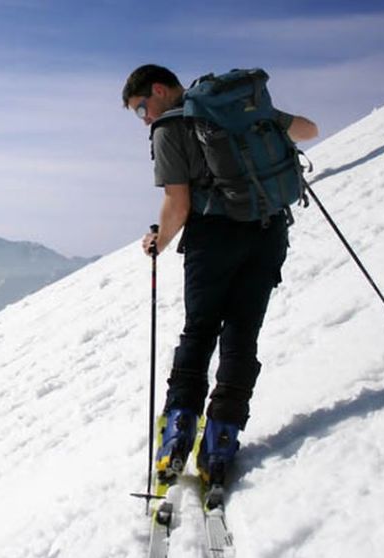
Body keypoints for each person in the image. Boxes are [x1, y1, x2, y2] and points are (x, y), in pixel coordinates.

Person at [122, 64, 318, 488]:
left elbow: (178, 204)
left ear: (158, 90)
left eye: (141, 108)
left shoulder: (171, 128)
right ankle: (221, 438)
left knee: (199, 332)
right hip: (268, 233)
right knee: (242, 334)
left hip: (214, 241)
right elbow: (308, 130)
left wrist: (160, 241)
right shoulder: (236, 109)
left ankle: (178, 432)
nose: (145, 118)